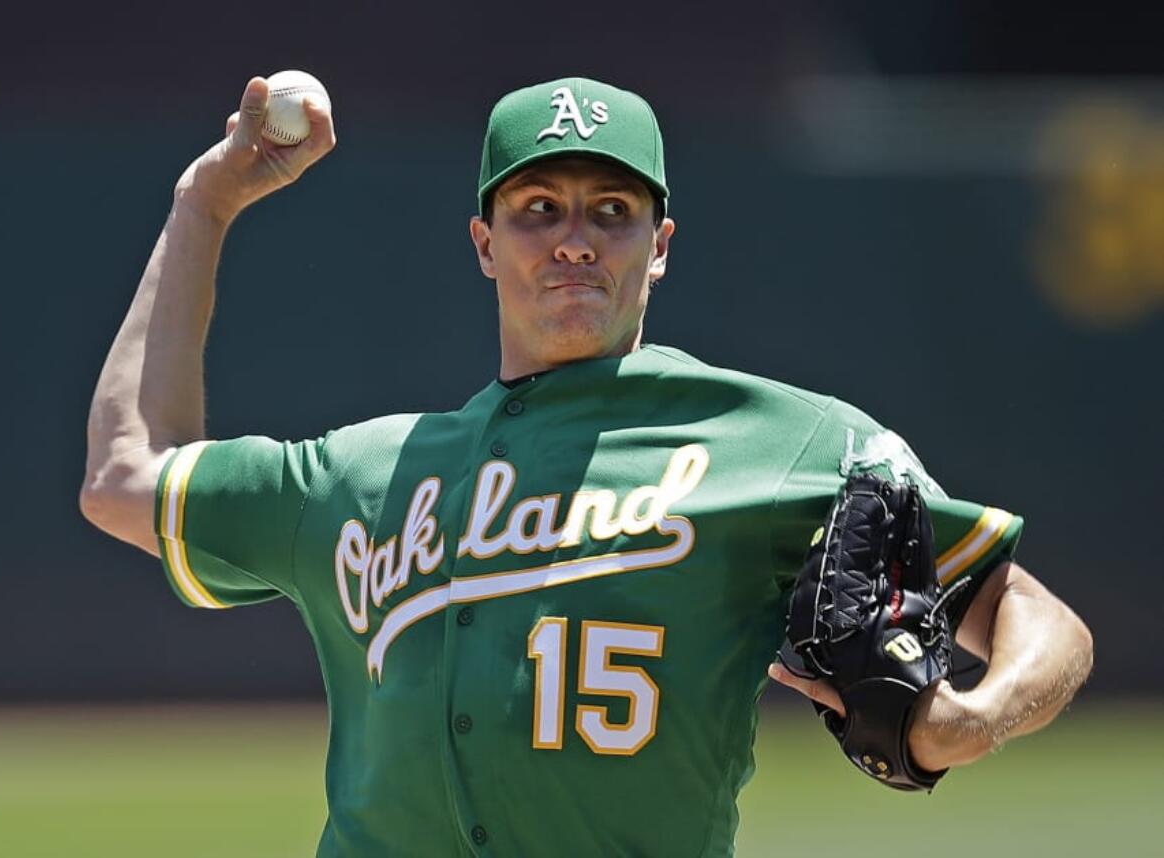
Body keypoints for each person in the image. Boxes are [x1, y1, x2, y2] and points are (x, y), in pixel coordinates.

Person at [80, 75, 1093, 856]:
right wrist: (203, 205)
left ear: (659, 244)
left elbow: (1036, 618)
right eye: (538, 209)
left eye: (611, 210)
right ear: (484, 243)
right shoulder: (357, 475)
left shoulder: (778, 441)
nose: (574, 241)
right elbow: (125, 477)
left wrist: (978, 716)